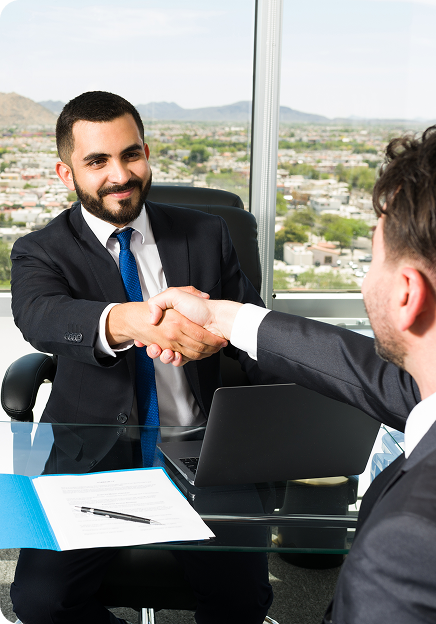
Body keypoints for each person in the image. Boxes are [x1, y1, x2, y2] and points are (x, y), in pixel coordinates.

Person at [142, 125, 436, 623]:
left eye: (375, 256)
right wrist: (224, 318)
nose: (367, 276)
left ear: (408, 294)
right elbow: (373, 373)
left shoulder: (418, 544)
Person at [9, 91, 275, 624]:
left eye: (131, 155)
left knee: (243, 599)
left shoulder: (206, 233)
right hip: (90, 460)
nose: (120, 175)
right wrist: (136, 320)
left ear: (147, 152)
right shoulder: (41, 250)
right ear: (67, 172)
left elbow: (251, 331)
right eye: (97, 161)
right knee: (40, 603)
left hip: (200, 452)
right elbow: (40, 316)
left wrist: (310, 384)